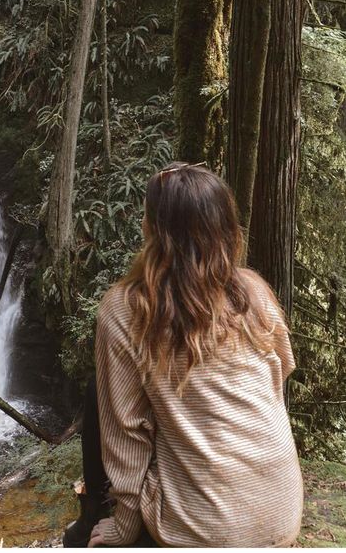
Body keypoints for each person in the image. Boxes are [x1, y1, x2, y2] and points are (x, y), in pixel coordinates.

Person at [63, 161, 302, 547]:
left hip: (206, 531)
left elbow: (126, 432)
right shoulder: (254, 292)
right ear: (226, 229)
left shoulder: (126, 309)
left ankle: (92, 515)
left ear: (153, 231)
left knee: (99, 394)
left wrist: (124, 528)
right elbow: (280, 375)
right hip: (282, 510)